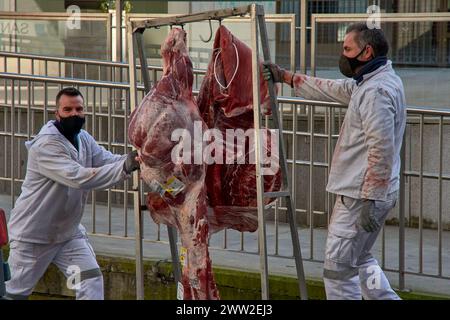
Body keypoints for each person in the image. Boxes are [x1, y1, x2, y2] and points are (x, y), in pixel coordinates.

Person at [263, 22, 406, 300]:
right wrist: (287, 77)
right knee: (362, 259)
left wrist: (371, 198)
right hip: (370, 193)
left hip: (359, 197)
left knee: (338, 271)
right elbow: (334, 88)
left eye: (347, 48)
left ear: (366, 52)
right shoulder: (374, 82)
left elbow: (382, 148)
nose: (343, 54)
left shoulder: (375, 92)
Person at [5, 87, 140, 300]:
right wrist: (125, 167)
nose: (74, 114)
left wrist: (139, 159)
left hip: (67, 234)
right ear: (56, 113)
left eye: (79, 109)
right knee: (13, 293)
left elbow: (105, 160)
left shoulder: (83, 138)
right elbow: (80, 177)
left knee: (90, 280)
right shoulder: (46, 145)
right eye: (67, 109)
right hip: (34, 236)